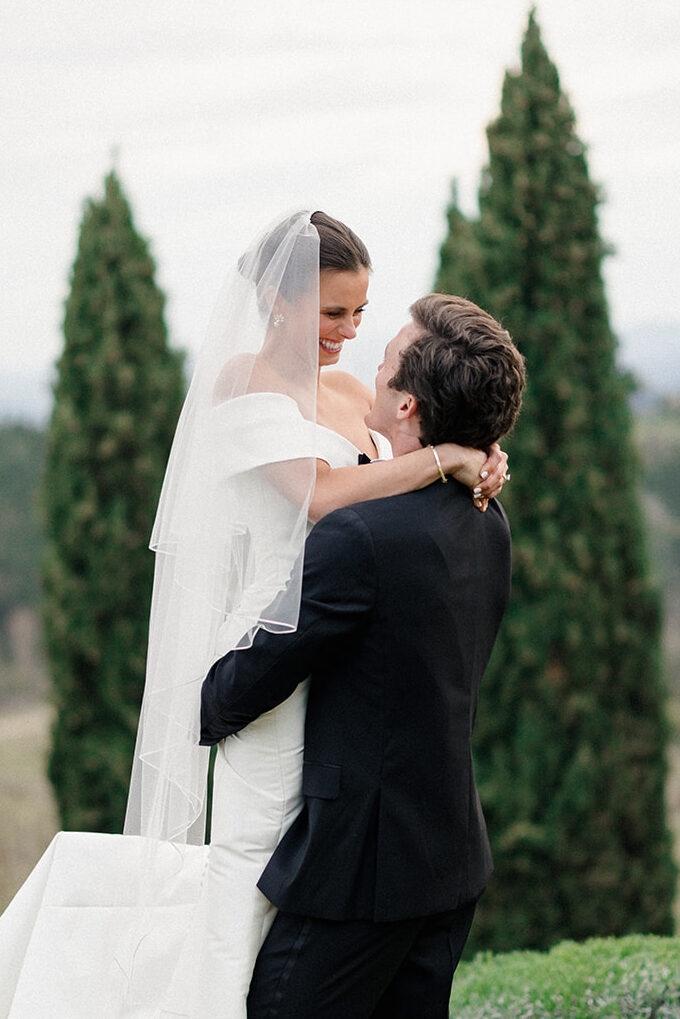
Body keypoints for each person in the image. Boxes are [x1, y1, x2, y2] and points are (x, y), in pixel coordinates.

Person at [0, 213, 507, 1018]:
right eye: (333, 312)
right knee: (257, 856)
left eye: (360, 313)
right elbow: (328, 497)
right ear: (277, 301)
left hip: (342, 649)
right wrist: (443, 458)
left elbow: (393, 493)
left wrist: (471, 459)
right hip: (278, 649)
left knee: (324, 857)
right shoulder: (241, 386)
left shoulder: (347, 392)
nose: (348, 332)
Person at [199, 292, 526, 1018]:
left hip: (360, 876)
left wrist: (204, 691)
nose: (368, 366)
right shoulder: (488, 518)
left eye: (383, 363)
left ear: (408, 406)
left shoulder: (362, 538)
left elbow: (243, 685)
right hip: (449, 861)